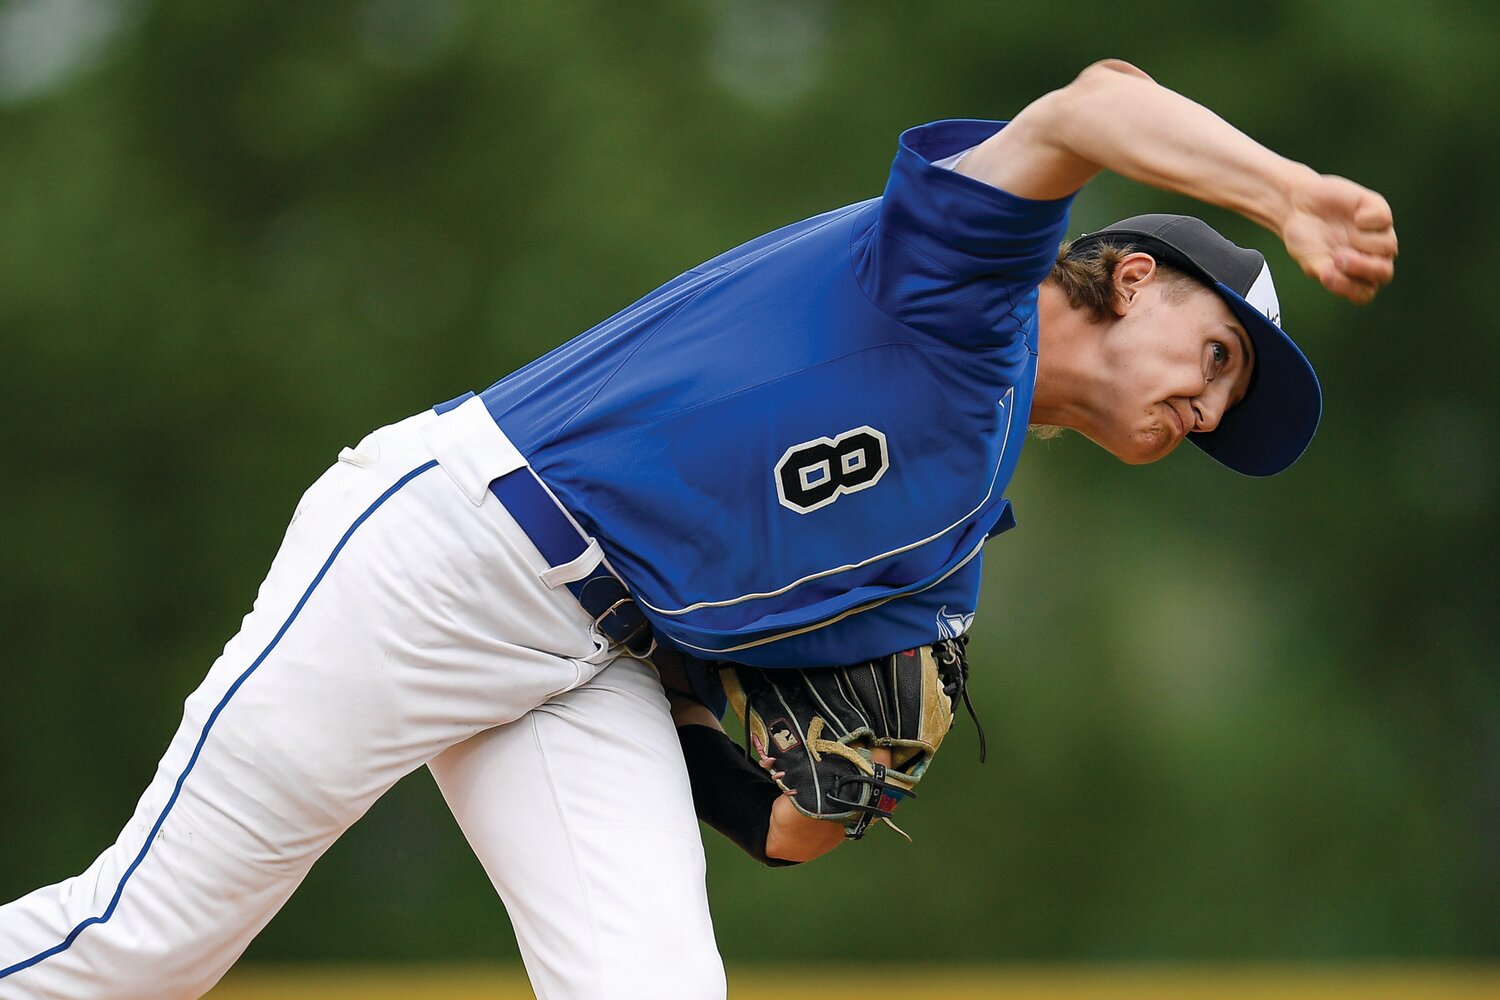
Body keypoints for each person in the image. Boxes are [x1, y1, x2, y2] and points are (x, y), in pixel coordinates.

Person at [0, 59, 1395, 1000]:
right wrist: (1281, 194)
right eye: (1217, 360)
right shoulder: (961, 280)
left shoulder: (945, 548)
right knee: (145, 947)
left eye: (1227, 416)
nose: (1206, 411)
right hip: (449, 556)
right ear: (1137, 278)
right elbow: (1099, 99)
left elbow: (799, 826)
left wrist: (775, 778)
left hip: (585, 665)